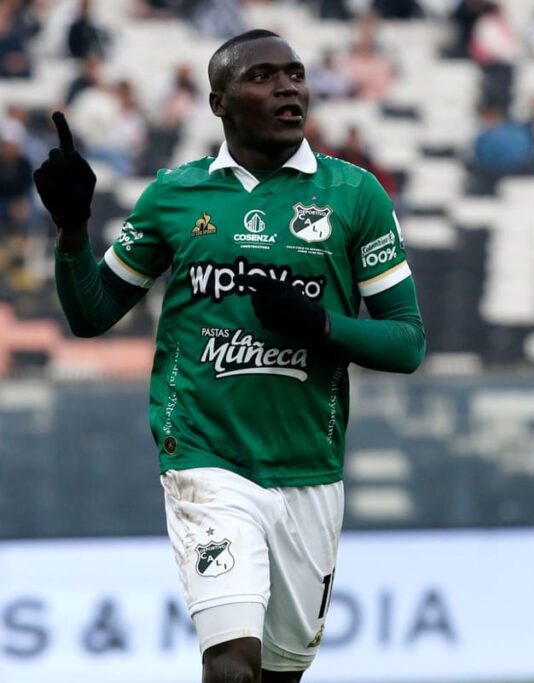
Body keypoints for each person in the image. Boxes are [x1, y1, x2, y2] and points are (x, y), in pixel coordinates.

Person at [33, 29, 425, 683]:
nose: (287, 87)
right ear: (218, 102)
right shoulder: (174, 196)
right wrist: (73, 229)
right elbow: (91, 312)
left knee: (277, 673)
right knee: (231, 665)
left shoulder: (355, 194)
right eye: (263, 76)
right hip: (205, 461)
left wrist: (321, 323)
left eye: (295, 74)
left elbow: (407, 341)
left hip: (309, 467)